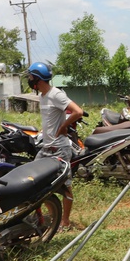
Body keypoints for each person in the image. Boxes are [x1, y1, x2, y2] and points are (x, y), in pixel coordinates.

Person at [25, 62, 83, 231]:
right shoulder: (43, 96)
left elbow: (78, 112)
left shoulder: (56, 94)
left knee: (64, 185)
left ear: (37, 78)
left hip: (59, 148)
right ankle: (52, 216)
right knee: (36, 181)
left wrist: (64, 126)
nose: (28, 80)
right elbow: (52, 118)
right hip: (46, 147)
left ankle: (64, 221)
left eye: (30, 77)